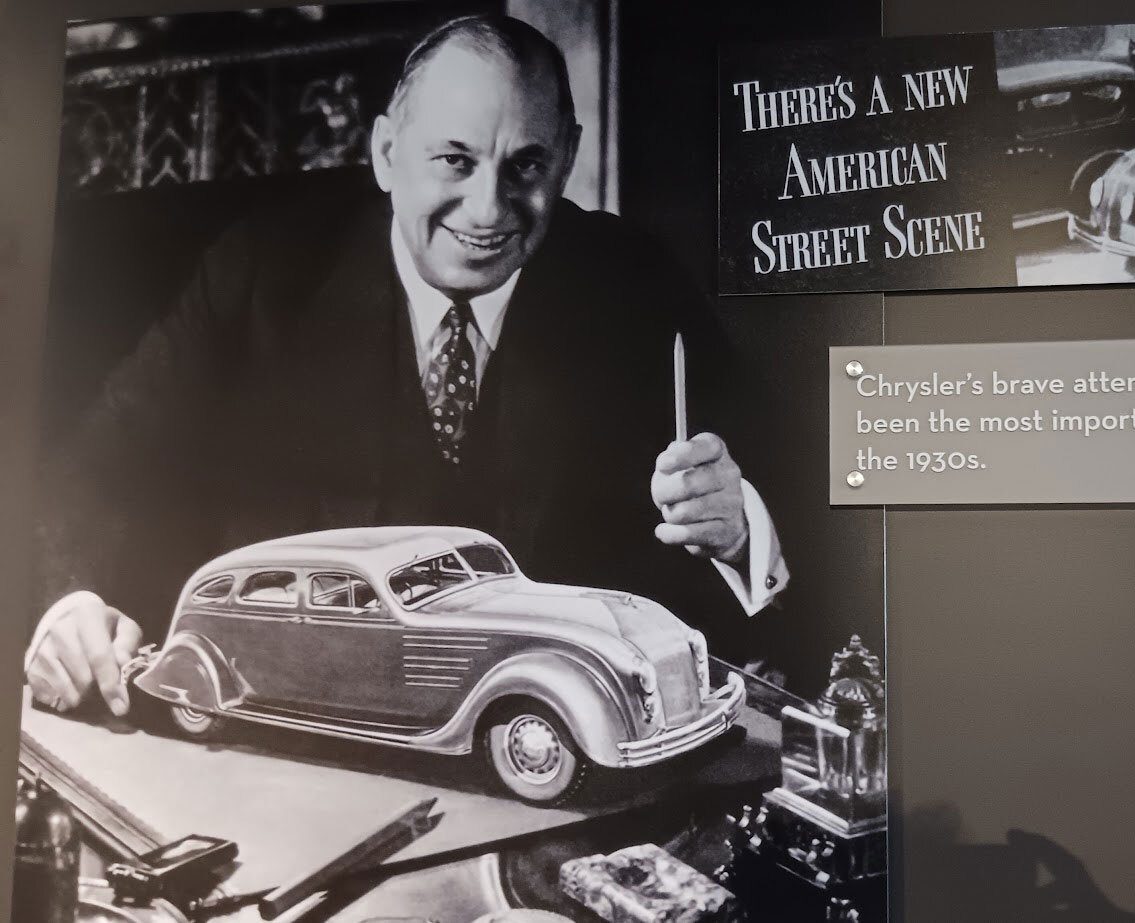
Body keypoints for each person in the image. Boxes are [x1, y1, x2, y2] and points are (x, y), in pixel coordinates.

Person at [26, 14, 789, 716]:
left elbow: (788, 499)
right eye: (454, 161)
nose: (487, 209)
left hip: (535, 743)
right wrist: (72, 604)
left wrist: (736, 527)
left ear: (568, 160)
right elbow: (92, 468)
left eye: (525, 166)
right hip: (304, 733)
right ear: (387, 153)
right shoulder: (261, 274)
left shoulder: (634, 283)